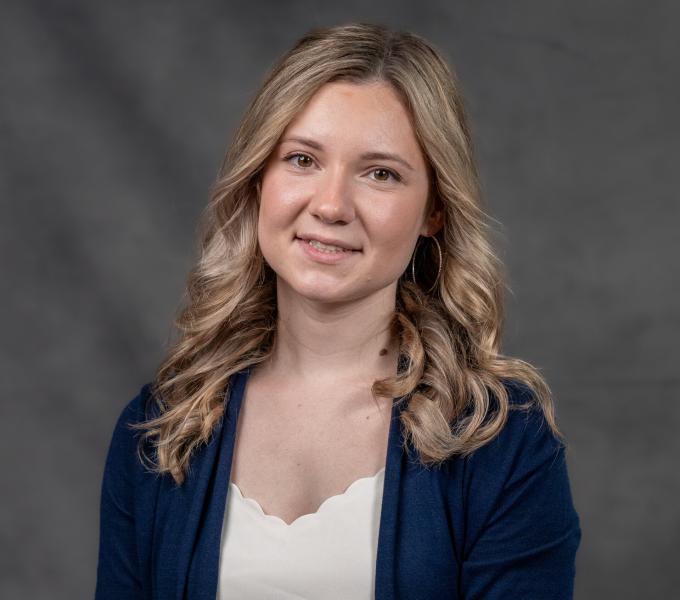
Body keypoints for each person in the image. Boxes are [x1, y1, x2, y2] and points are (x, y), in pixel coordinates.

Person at [95, 22, 581, 600]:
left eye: (381, 173)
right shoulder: (159, 430)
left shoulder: (500, 438)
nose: (330, 205)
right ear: (258, 182)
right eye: (301, 159)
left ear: (434, 211)